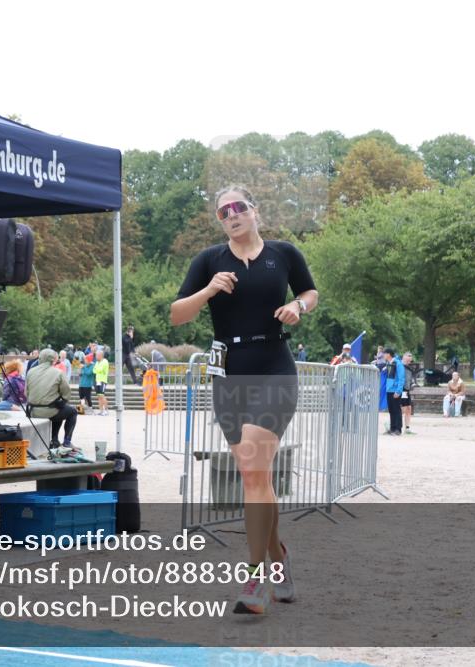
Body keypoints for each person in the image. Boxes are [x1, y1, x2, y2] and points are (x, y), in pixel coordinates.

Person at [170, 184, 318, 615]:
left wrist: (299, 308)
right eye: (222, 212)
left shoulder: (283, 253)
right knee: (257, 479)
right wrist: (209, 290)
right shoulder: (209, 261)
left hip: (274, 366)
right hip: (229, 373)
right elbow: (177, 315)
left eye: (238, 208)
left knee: (254, 472)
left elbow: (310, 292)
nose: (231, 215)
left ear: (255, 211)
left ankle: (255, 580)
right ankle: (280, 561)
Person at [26, 349, 78, 448]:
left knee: (58, 407)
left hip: (33, 411)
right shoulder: (58, 373)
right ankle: (66, 442)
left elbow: (26, 393)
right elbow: (66, 393)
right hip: (50, 411)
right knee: (71, 411)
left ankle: (55, 440)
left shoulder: (30, 372)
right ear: (53, 360)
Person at [384, 348, 405, 434]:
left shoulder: (398, 363)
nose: (384, 355)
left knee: (397, 409)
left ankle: (398, 429)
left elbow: (401, 378)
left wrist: (398, 391)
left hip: (395, 390)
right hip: (389, 390)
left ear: (389, 354)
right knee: (391, 410)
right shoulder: (388, 363)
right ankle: (392, 428)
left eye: (385, 354)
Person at [400, 352, 416, 434]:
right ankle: (396, 425)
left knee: (409, 408)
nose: (410, 358)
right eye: (408, 356)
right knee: (403, 409)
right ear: (404, 356)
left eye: (411, 356)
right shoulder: (399, 366)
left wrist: (412, 383)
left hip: (406, 390)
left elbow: (411, 378)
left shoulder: (409, 368)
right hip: (402, 389)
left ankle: (407, 428)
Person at [93, 348, 110, 416]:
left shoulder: (105, 361)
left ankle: (106, 410)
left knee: (102, 395)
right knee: (99, 396)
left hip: (102, 380)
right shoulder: (97, 362)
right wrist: (97, 369)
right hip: (97, 380)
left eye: (97, 355)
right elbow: (94, 371)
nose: (96, 357)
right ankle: (101, 411)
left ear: (101, 355)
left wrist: (97, 369)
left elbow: (99, 369)